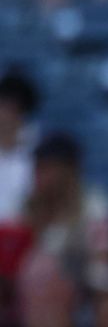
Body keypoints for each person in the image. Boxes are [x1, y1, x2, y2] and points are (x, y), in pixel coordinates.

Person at [24, 134, 108, 280]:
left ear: (68, 171)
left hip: (80, 290)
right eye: (38, 167)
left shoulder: (95, 204)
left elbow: (102, 264)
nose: (41, 175)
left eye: (48, 168)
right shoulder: (29, 203)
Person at [0, 70, 38, 224]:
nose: (6, 114)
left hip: (23, 234)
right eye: (4, 105)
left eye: (14, 108)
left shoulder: (39, 148)